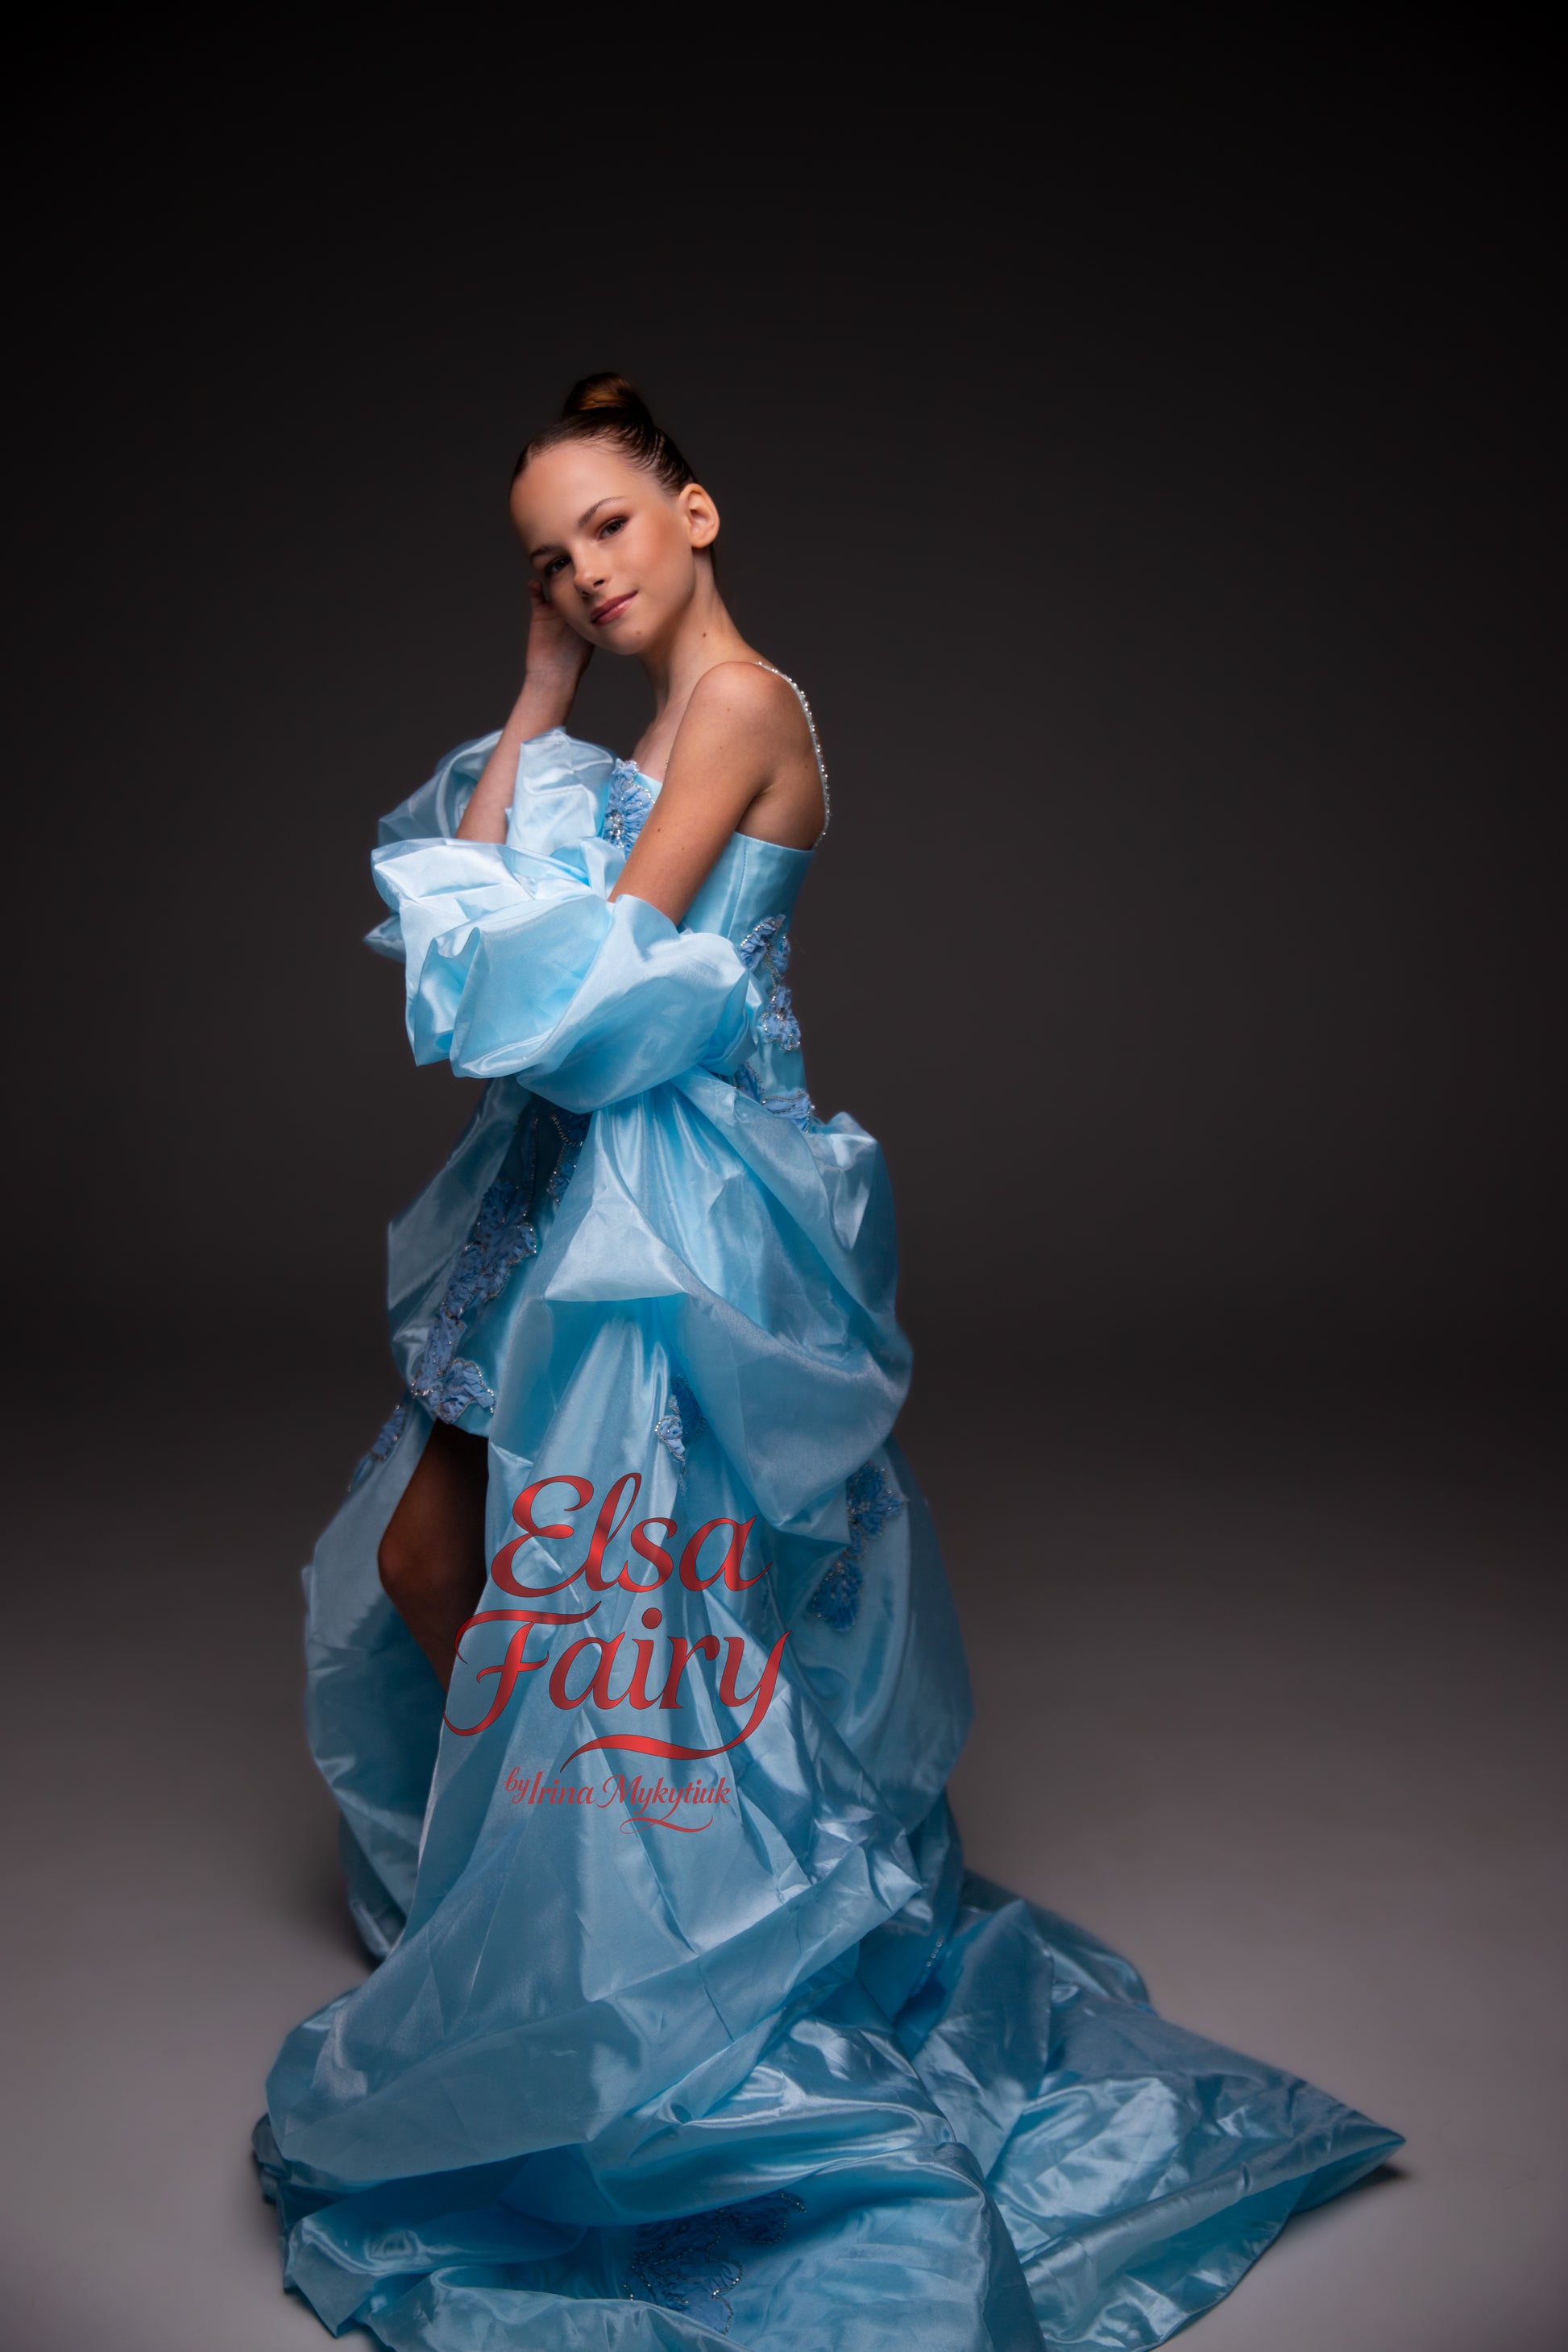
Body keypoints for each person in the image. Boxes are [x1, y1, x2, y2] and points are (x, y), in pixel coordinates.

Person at [255, 375, 1399, 2350]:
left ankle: (662, 1979)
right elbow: (491, 914)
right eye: (547, 558)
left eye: (609, 526)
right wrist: (533, 700)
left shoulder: (741, 707)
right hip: (561, 1188)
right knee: (431, 1567)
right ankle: (547, 1927)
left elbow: (577, 982)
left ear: (695, 510)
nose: (584, 572)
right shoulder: (630, 719)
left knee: (635, 1619)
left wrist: (515, 940)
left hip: (676, 1203)